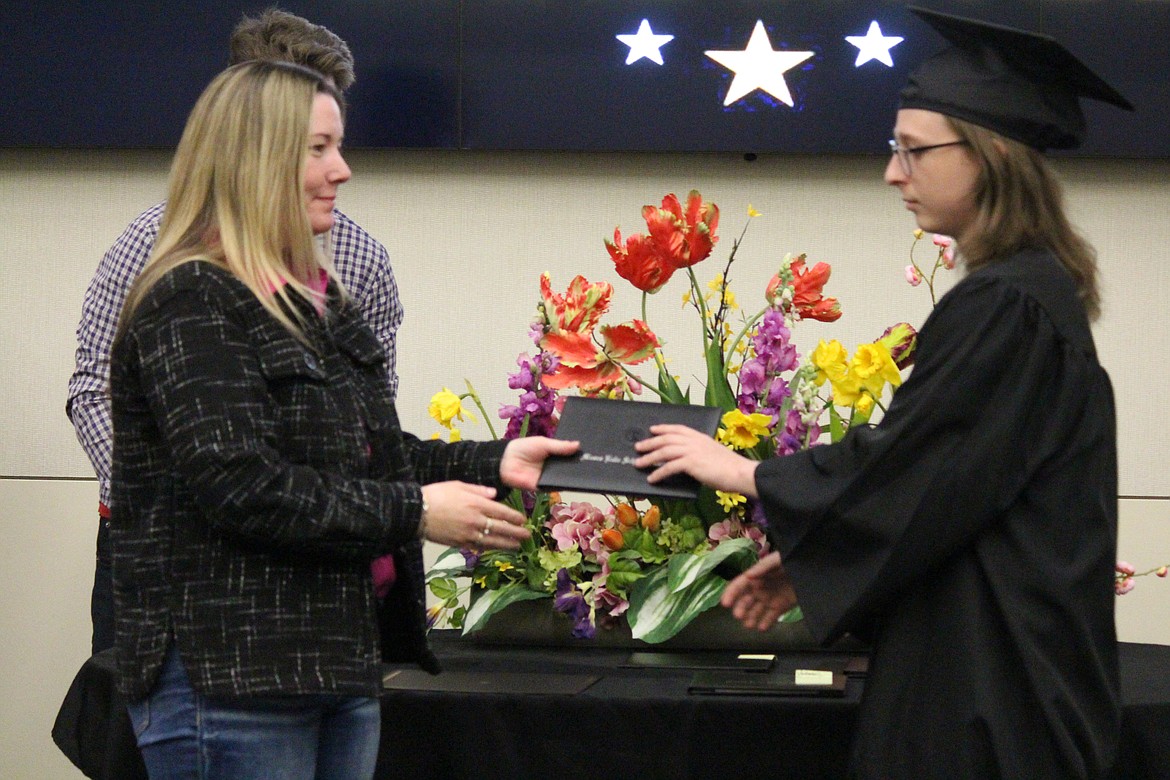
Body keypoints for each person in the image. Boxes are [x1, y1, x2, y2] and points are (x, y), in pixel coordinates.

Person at [635, 8, 1133, 779]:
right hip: (992, 678)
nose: (893, 172)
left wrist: (745, 471)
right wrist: (815, 558)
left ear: (992, 156)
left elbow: (911, 466)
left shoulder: (1009, 307)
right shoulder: (1028, 296)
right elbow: (949, 494)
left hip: (995, 702)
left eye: (913, 149)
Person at [109, 59, 576, 779]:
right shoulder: (191, 299)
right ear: (256, 161)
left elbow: (366, 455)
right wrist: (416, 510)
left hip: (332, 665)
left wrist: (493, 463)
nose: (344, 169)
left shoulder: (313, 301)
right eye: (319, 149)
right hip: (231, 679)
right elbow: (242, 483)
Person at [66, 8, 399, 655]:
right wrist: (175, 502)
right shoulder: (154, 242)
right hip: (161, 558)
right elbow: (92, 390)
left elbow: (368, 423)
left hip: (310, 562)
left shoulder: (361, 262)